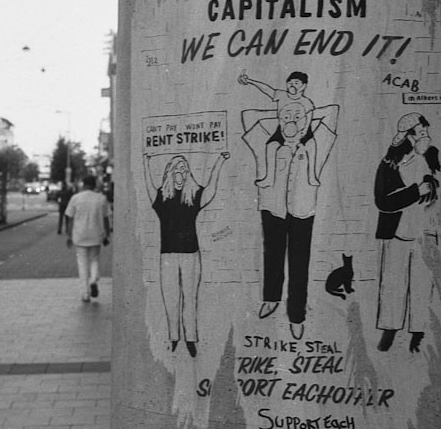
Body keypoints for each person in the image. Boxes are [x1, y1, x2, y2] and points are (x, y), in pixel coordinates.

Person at [242, 94, 339, 340]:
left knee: (299, 264)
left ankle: (296, 316)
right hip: (272, 208)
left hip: (302, 211)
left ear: (307, 121)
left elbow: (334, 111)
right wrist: (281, 113)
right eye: (285, 117)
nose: (290, 121)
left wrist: (304, 112)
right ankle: (271, 298)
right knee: (272, 256)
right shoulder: (268, 145)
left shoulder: (315, 146)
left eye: (297, 117)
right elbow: (247, 117)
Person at [143, 152, 229, 357]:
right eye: (176, 169)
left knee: (190, 298)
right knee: (171, 298)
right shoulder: (162, 197)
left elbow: (211, 189)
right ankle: (174, 337)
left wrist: (219, 162)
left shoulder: (194, 195)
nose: (180, 173)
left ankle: (191, 338)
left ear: (188, 173)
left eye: (184, 169)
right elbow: (148, 185)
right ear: (169, 174)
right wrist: (146, 164)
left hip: (191, 254)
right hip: (168, 256)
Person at [374, 112, 441, 353]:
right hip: (398, 232)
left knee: (422, 284)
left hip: (426, 232)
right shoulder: (390, 165)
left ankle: (418, 335)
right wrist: (416, 191)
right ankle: (389, 331)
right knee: (393, 283)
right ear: (410, 138)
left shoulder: (434, 159)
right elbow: (383, 201)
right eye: (421, 133)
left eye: (426, 132)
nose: (427, 137)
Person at [238, 70, 314, 187]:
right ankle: (268, 178)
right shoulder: (281, 95)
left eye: (296, 83)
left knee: (312, 145)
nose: (292, 85)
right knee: (271, 146)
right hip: (283, 129)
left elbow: (309, 117)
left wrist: (303, 133)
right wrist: (249, 81)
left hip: (301, 129)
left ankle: (312, 176)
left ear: (304, 86)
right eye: (290, 82)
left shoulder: (306, 102)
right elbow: (266, 89)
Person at [65, 174, 111, 302]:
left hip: (79, 236)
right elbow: (106, 218)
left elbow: (70, 218)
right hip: (96, 235)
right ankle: (93, 280)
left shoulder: (75, 198)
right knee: (94, 260)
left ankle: (85, 293)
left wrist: (69, 235)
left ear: (83, 184)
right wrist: (107, 234)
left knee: (82, 264)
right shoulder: (101, 198)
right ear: (94, 184)